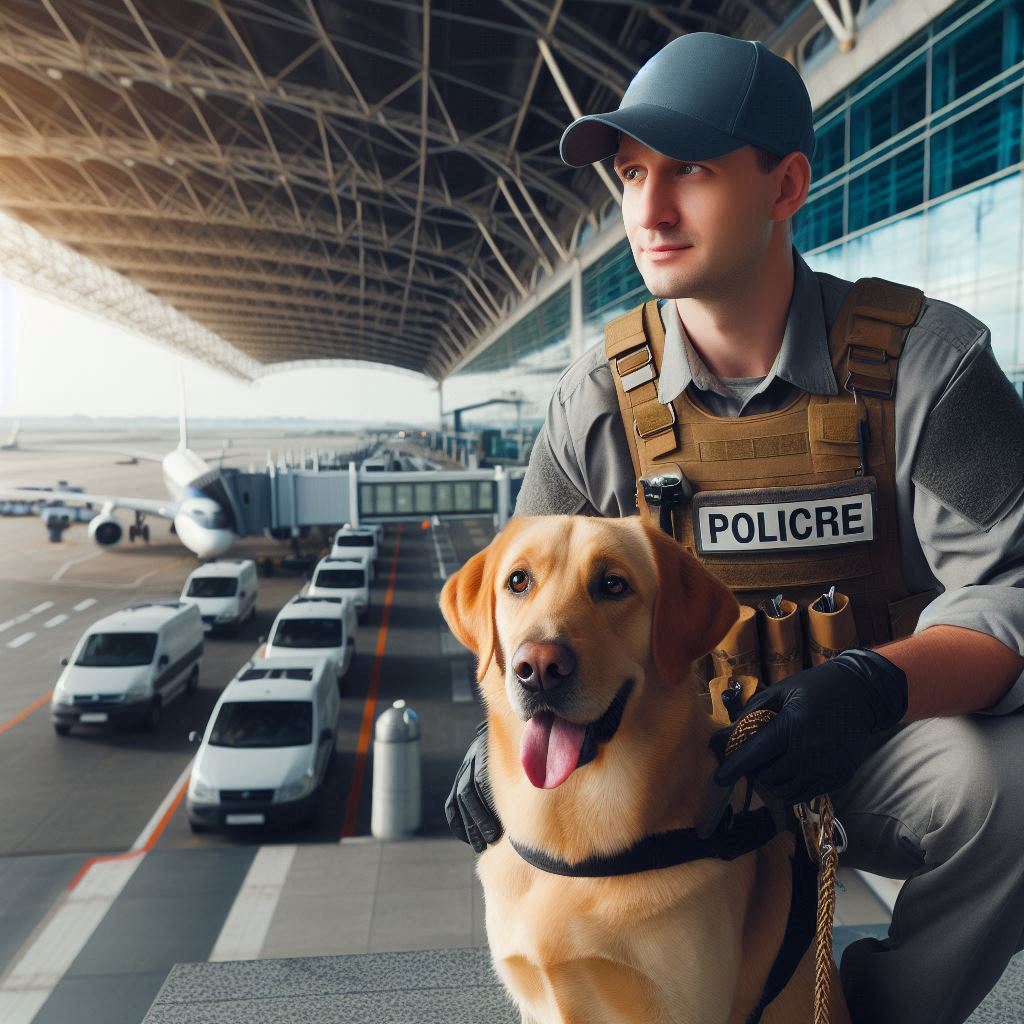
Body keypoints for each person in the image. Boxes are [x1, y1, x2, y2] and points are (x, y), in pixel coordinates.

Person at [445, 30, 1024, 1024]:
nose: (648, 209)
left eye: (690, 172)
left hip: (866, 741)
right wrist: (501, 728)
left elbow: (1016, 590)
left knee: (1011, 785)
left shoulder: (927, 369)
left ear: (785, 186)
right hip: (681, 756)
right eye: (630, 176)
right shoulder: (595, 400)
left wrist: (872, 681)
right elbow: (521, 590)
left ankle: (880, 1012)